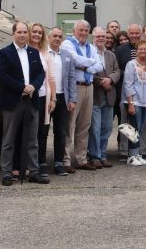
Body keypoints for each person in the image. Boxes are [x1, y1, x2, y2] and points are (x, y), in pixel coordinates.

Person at [0, 21, 47, 186]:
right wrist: (22, 88)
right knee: (9, 139)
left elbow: (41, 73)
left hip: (31, 100)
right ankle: (6, 173)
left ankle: (33, 172)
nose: (23, 35)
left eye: (25, 32)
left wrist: (34, 86)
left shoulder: (33, 52)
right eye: (20, 32)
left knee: (33, 139)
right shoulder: (4, 53)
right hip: (13, 101)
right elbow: (2, 76)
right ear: (13, 33)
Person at [60, 20, 103, 172]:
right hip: (75, 88)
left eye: (86, 30)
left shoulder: (91, 47)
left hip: (88, 88)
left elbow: (100, 65)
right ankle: (65, 161)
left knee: (84, 125)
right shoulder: (67, 44)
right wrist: (91, 64)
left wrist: (86, 66)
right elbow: (74, 60)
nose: (84, 33)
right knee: (69, 125)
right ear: (74, 30)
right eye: (81, 30)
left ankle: (81, 159)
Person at [47, 27, 77, 176]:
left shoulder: (66, 55)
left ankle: (59, 163)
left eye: (60, 36)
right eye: (54, 36)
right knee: (43, 132)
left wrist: (72, 99)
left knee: (61, 132)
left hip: (62, 97)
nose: (57, 39)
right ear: (48, 38)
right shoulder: (42, 54)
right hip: (46, 97)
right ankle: (40, 163)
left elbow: (72, 78)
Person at [89, 27, 120, 169]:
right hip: (96, 96)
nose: (101, 39)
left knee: (107, 128)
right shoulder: (89, 53)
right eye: (98, 36)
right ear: (93, 37)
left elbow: (117, 70)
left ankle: (102, 155)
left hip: (109, 97)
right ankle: (94, 157)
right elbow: (87, 71)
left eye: (103, 36)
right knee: (95, 129)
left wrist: (111, 79)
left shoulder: (110, 55)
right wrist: (102, 82)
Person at [28, 22, 55, 179]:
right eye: (34, 32)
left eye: (40, 32)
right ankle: (28, 165)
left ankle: (41, 163)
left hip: (44, 97)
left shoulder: (46, 53)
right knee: (28, 132)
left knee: (42, 132)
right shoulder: (25, 52)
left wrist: (53, 99)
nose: (37, 34)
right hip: (29, 97)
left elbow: (51, 77)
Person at [123, 40, 146, 166]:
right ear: (136, 51)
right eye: (140, 49)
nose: (143, 51)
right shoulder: (131, 64)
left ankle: (138, 155)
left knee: (140, 129)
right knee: (133, 130)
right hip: (135, 101)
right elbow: (128, 84)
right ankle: (131, 156)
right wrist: (130, 103)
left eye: (145, 49)